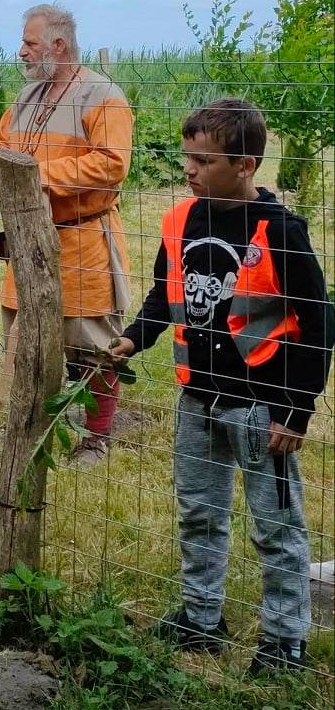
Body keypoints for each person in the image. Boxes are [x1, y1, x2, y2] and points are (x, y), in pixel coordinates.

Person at [111, 98, 334, 674]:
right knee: (198, 511)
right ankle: (201, 616)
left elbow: (318, 322)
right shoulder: (183, 220)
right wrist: (135, 338)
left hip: (262, 408)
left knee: (277, 524)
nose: (189, 170)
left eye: (203, 160)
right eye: (187, 158)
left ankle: (286, 639)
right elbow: (167, 293)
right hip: (197, 397)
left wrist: (297, 410)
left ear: (245, 165)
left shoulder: (280, 231)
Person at [0, 4, 132, 463]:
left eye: (29, 43)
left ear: (58, 46)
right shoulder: (25, 98)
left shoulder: (103, 96)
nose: (21, 52)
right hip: (26, 240)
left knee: (92, 345)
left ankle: (97, 437)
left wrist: (34, 174)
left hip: (80, 236)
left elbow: (111, 164)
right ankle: (25, 428)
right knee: (23, 338)